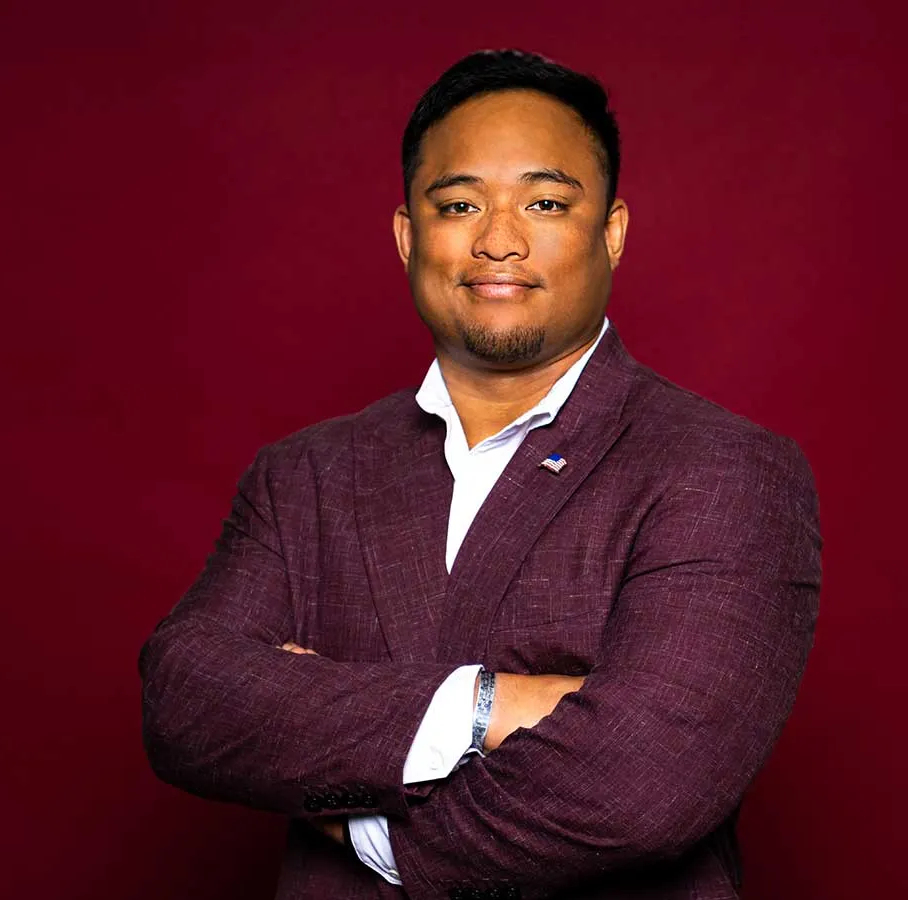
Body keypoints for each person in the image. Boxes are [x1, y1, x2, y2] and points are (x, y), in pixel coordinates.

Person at [138, 49, 820, 900]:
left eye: (543, 201)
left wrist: (364, 821)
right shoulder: (305, 474)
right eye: (460, 205)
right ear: (407, 234)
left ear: (610, 233)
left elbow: (642, 783)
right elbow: (186, 705)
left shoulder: (722, 470)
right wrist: (486, 705)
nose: (498, 240)